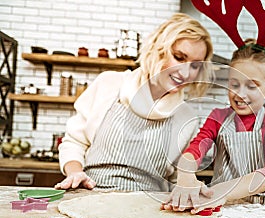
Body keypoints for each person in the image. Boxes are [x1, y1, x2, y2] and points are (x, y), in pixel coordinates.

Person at [54, 13, 214, 191]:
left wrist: (188, 187)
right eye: (178, 57)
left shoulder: (187, 118)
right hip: (90, 194)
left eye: (195, 66)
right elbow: (74, 142)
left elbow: (178, 179)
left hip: (149, 208)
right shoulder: (110, 84)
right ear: (158, 50)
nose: (185, 73)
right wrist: (75, 172)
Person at [162, 39, 265, 213]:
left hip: (258, 210)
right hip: (216, 207)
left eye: (252, 86)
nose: (240, 94)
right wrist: (185, 176)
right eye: (234, 84)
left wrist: (222, 192)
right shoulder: (219, 116)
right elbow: (195, 149)